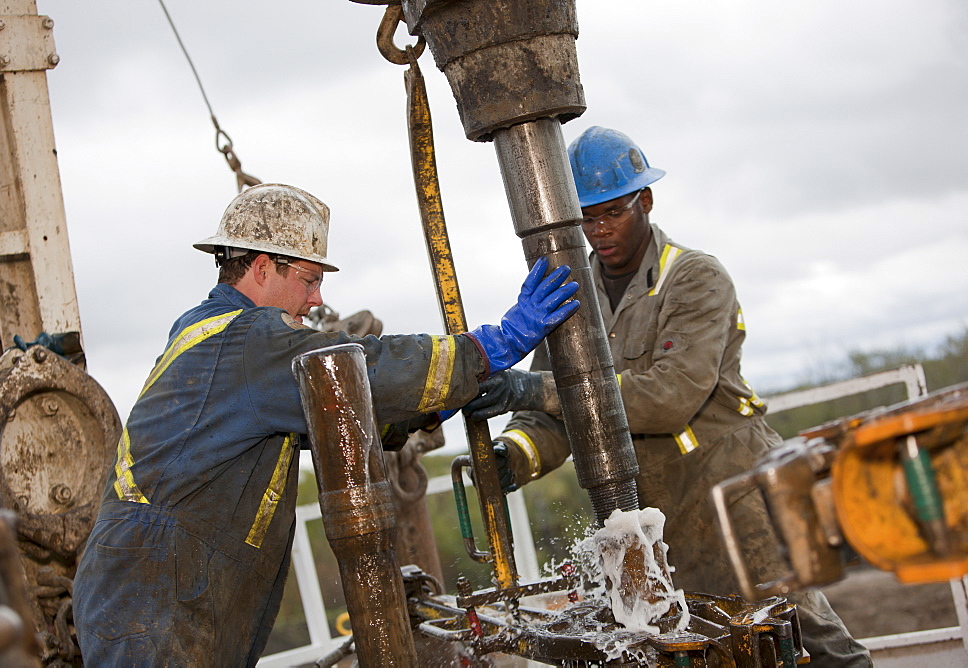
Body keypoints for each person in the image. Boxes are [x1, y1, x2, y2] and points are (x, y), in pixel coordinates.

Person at [72, 183, 580, 666]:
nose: (316, 300)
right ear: (265, 267)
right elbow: (363, 369)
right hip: (156, 596)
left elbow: (337, 413)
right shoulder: (249, 341)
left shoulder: (215, 337)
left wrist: (437, 404)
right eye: (310, 279)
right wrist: (491, 345)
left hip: (157, 588)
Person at [464, 127, 872, 666]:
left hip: (731, 489)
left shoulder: (695, 277)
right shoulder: (571, 295)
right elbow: (556, 416)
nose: (599, 230)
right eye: (586, 217)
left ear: (646, 201)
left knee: (801, 633)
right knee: (693, 647)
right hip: (647, 512)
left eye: (612, 212)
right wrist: (513, 455)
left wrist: (536, 388)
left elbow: (670, 395)